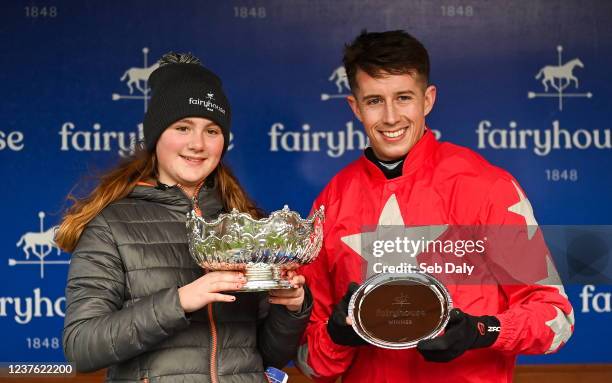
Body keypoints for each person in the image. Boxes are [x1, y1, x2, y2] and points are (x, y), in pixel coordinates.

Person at [296, 30, 574, 382]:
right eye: (374, 101)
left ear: (427, 100)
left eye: (404, 97)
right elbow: (310, 364)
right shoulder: (331, 203)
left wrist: (483, 331)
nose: (392, 117)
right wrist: (337, 337)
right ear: (355, 107)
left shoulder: (488, 188)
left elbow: (556, 320)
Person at [56, 52, 312, 382]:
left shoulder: (244, 222)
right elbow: (81, 346)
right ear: (155, 135)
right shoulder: (111, 226)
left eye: (212, 131)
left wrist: (290, 309)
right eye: (183, 127)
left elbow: (270, 354)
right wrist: (179, 302)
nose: (198, 144)